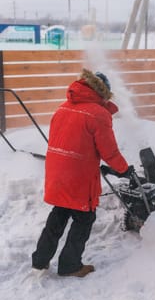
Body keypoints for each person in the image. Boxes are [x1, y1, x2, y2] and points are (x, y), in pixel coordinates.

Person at [32, 68, 133, 278]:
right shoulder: (98, 114)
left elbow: (71, 141)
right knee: (84, 218)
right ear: (103, 92)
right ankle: (70, 265)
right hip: (78, 176)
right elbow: (109, 151)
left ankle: (40, 260)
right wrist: (125, 170)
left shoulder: (63, 108)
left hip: (57, 171)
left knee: (59, 214)